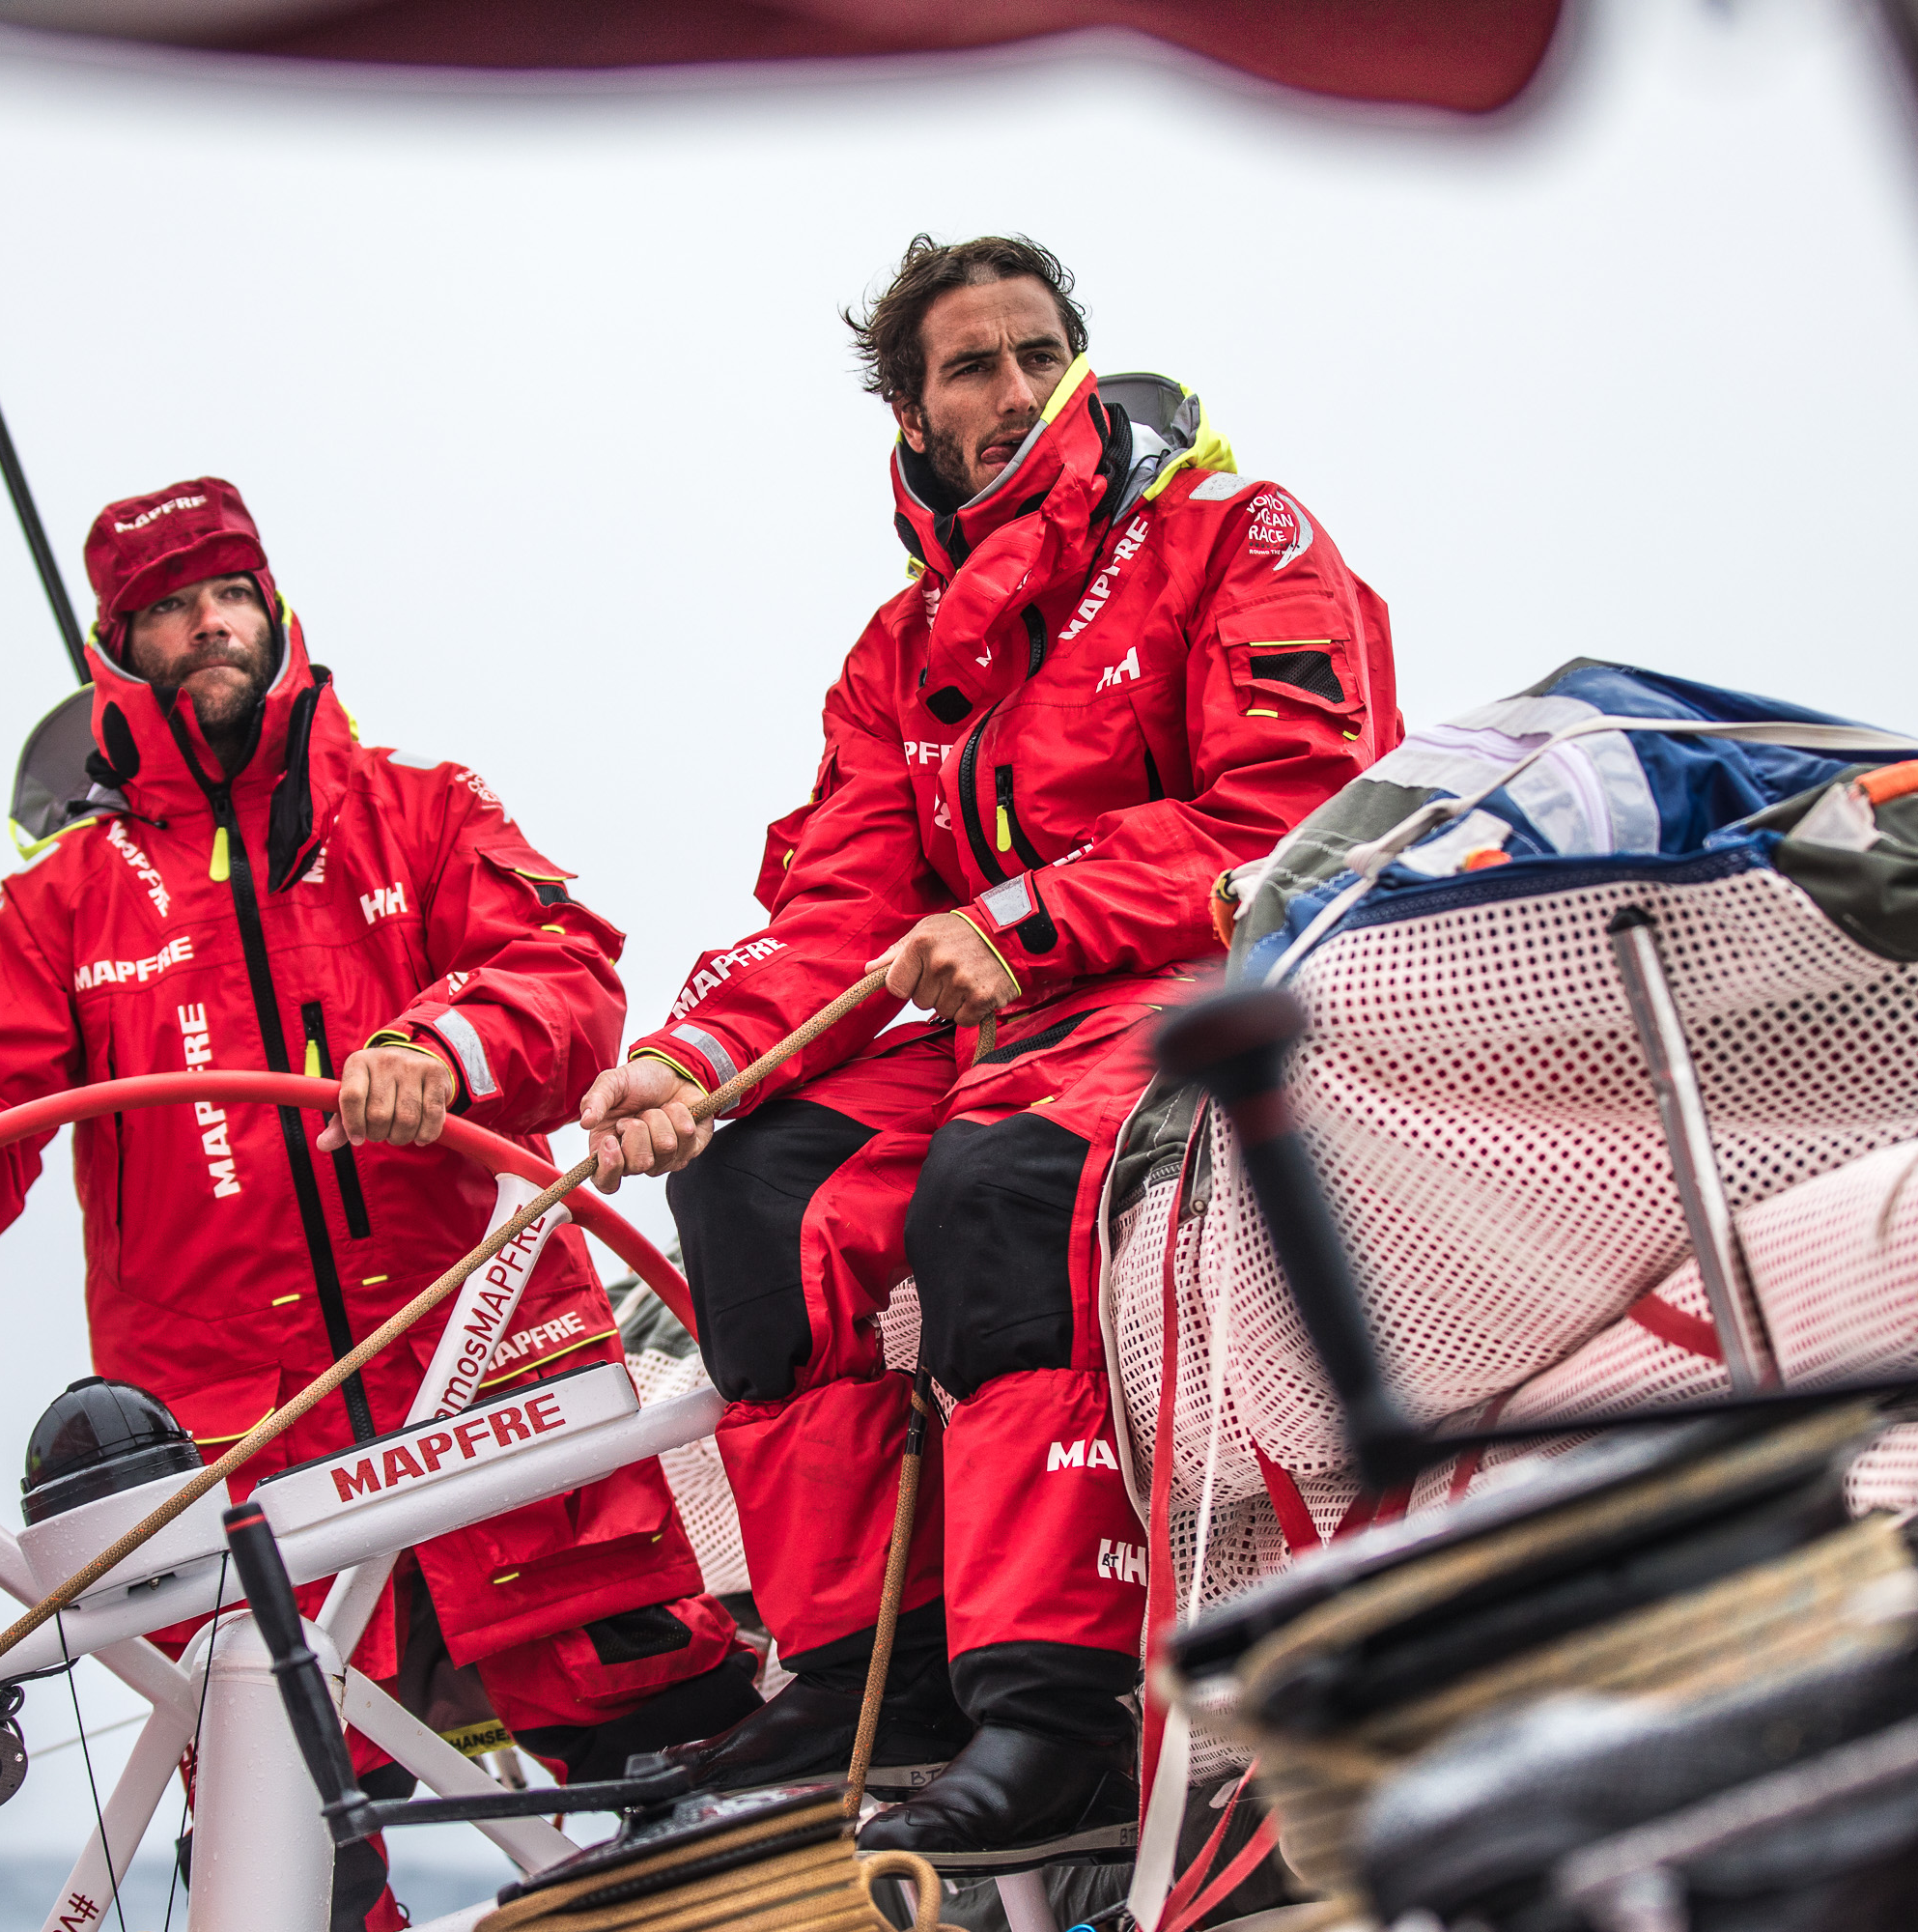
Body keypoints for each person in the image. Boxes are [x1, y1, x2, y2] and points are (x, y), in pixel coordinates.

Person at [0, 478, 757, 1931]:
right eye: (167, 608)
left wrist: (436, 1047)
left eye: (227, 594)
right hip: (236, 1441)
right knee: (296, 1862)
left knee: (673, 1785)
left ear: (272, 607)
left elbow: (566, 981)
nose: (207, 626)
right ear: (115, 647)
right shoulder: (61, 905)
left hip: (488, 1377)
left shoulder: (423, 812)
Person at [579, 235, 1403, 1867]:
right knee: (761, 1184)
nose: (1015, 389)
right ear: (909, 408)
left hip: (1197, 985)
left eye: (1039, 351)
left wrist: (1025, 919)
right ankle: (857, 1678)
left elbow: (1292, 809)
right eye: (972, 364)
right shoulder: (894, 660)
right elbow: (838, 913)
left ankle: (1055, 1707)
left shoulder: (1238, 537)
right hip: (1000, 1014)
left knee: (998, 1185)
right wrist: (687, 1062)